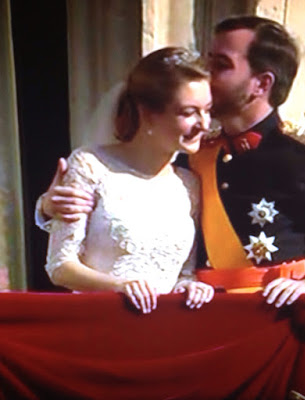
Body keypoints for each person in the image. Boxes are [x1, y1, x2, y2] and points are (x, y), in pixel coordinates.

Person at [38, 16, 305, 308]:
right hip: (198, 317)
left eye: (220, 65)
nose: (205, 73)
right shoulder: (194, 148)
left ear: (260, 84)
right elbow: (129, 191)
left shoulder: (301, 157)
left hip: (268, 318)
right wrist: (48, 208)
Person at [40, 47, 215, 314]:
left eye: (207, 110)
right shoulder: (90, 165)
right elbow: (60, 266)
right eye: (188, 112)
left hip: (165, 329)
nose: (204, 124)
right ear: (147, 114)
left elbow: (184, 272)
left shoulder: (189, 184)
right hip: (101, 322)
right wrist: (119, 286)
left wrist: (189, 286)